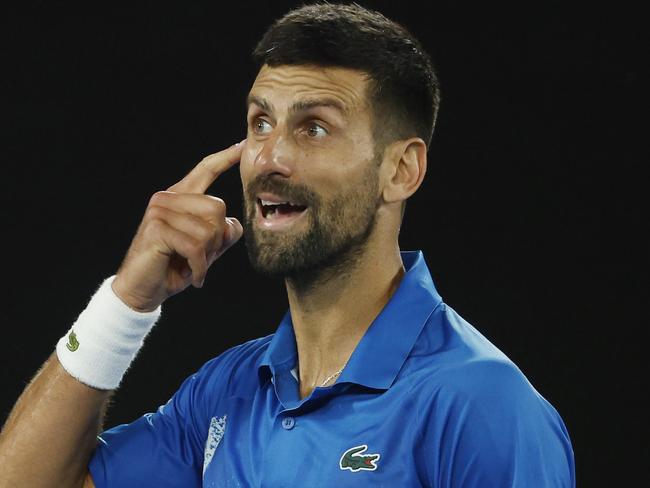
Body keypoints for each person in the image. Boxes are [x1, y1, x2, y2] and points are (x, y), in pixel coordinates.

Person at [0, 3, 575, 487]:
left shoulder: (483, 405)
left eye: (314, 127)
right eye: (259, 123)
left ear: (401, 170)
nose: (269, 158)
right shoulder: (225, 391)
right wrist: (126, 303)